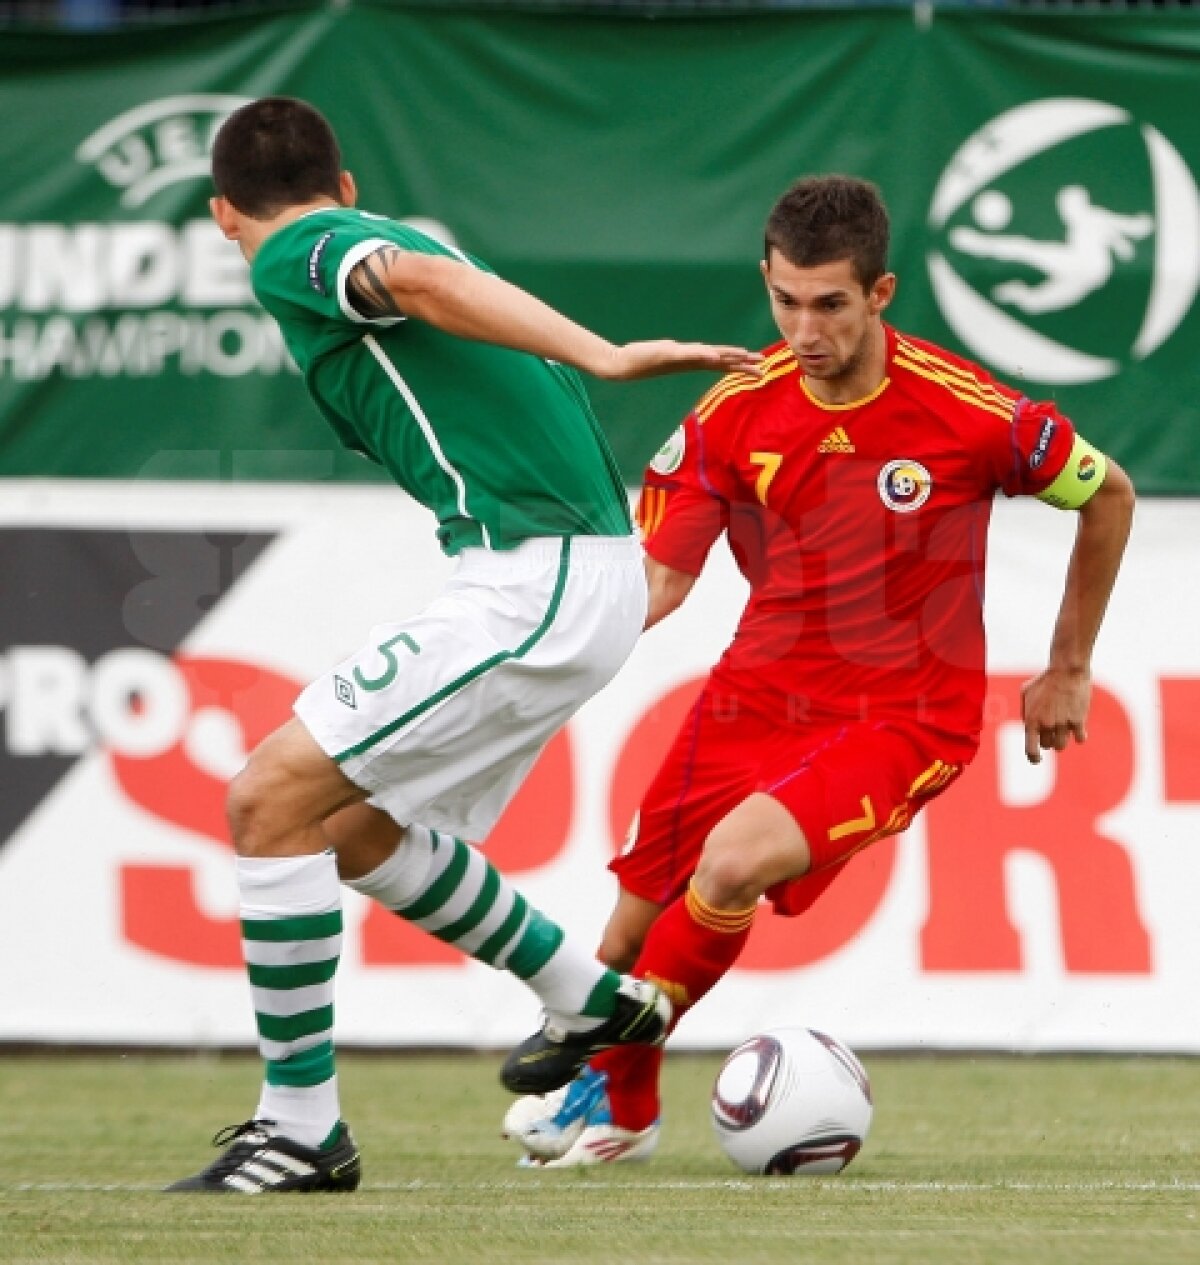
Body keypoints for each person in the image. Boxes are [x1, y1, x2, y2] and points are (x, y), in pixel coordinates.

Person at [168, 96, 762, 1193]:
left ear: (222, 213)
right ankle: (594, 996)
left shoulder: (295, 247)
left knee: (264, 800)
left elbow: (414, 278)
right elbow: (428, 276)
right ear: (344, 180)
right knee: (343, 828)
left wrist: (608, 355)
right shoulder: (372, 230)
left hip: (536, 575)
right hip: (573, 576)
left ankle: (301, 1127)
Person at [502, 174, 1135, 1166]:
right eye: (786, 299)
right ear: (766, 280)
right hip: (753, 695)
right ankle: (622, 1110)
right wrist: (523, 650)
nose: (804, 327)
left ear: (879, 295)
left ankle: (617, 1034)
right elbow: (659, 583)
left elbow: (1111, 495)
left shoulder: (968, 412)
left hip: (904, 716)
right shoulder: (733, 413)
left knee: (730, 864)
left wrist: (1068, 664)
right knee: (622, 937)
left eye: (830, 303)